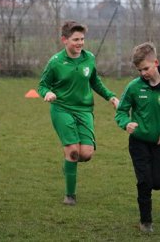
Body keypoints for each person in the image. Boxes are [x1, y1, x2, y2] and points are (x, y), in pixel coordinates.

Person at [38, 21, 120, 206]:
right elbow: (42, 85)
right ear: (64, 40)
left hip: (84, 110)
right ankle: (70, 195)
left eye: (82, 39)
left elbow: (95, 82)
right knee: (73, 152)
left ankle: (68, 166)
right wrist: (47, 93)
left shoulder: (89, 58)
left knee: (86, 154)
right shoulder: (55, 62)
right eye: (76, 39)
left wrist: (111, 97)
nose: (80, 43)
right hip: (62, 109)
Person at [115, 42, 160, 233]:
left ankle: (147, 213)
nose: (143, 73)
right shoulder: (134, 87)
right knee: (144, 182)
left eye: (146, 68)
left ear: (156, 62)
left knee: (158, 183)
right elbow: (121, 111)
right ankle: (145, 221)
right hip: (138, 142)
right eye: (140, 70)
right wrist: (126, 123)